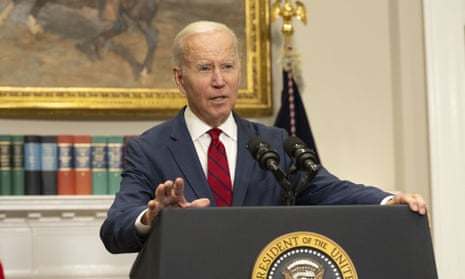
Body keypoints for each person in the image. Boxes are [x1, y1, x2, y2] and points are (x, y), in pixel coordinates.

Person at [100, 20, 427, 254]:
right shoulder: (149, 149)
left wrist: (387, 201)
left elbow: (328, 188)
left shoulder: (274, 143)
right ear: (179, 78)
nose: (219, 81)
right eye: (204, 68)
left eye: (228, 66)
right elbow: (115, 230)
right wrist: (152, 217)